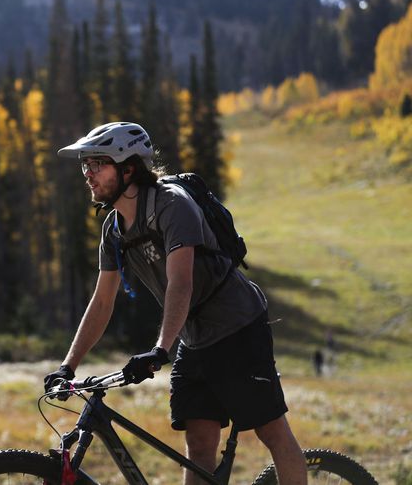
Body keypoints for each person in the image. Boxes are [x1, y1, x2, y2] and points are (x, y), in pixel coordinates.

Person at [43, 122, 308, 485]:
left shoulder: (172, 205)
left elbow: (181, 283)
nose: (88, 174)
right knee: (198, 443)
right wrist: (67, 366)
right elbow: (102, 302)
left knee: (272, 432)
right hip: (193, 336)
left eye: (97, 164)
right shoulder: (114, 229)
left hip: (236, 325)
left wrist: (159, 349)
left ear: (128, 169)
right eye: (85, 165)